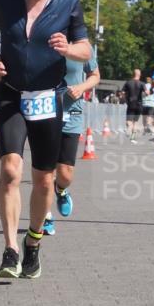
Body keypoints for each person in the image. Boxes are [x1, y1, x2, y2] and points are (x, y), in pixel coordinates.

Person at [0, 0, 91, 279]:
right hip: (12, 93)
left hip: (47, 98)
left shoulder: (69, 3)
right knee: (10, 170)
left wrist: (69, 49)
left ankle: (33, 242)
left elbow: (85, 49)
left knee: (44, 181)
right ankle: (10, 250)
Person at [44, 54, 101, 235]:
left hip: (72, 113)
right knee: (45, 172)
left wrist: (81, 87)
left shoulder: (82, 47)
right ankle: (45, 217)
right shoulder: (44, 41)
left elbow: (95, 75)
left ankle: (61, 190)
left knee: (66, 174)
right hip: (44, 111)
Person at [122, 69, 145, 143]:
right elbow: (147, 92)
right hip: (139, 104)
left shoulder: (128, 83)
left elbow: (122, 92)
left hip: (131, 104)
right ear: (139, 75)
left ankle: (129, 128)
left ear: (133, 74)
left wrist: (125, 98)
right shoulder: (142, 84)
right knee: (135, 121)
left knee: (129, 121)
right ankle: (133, 136)